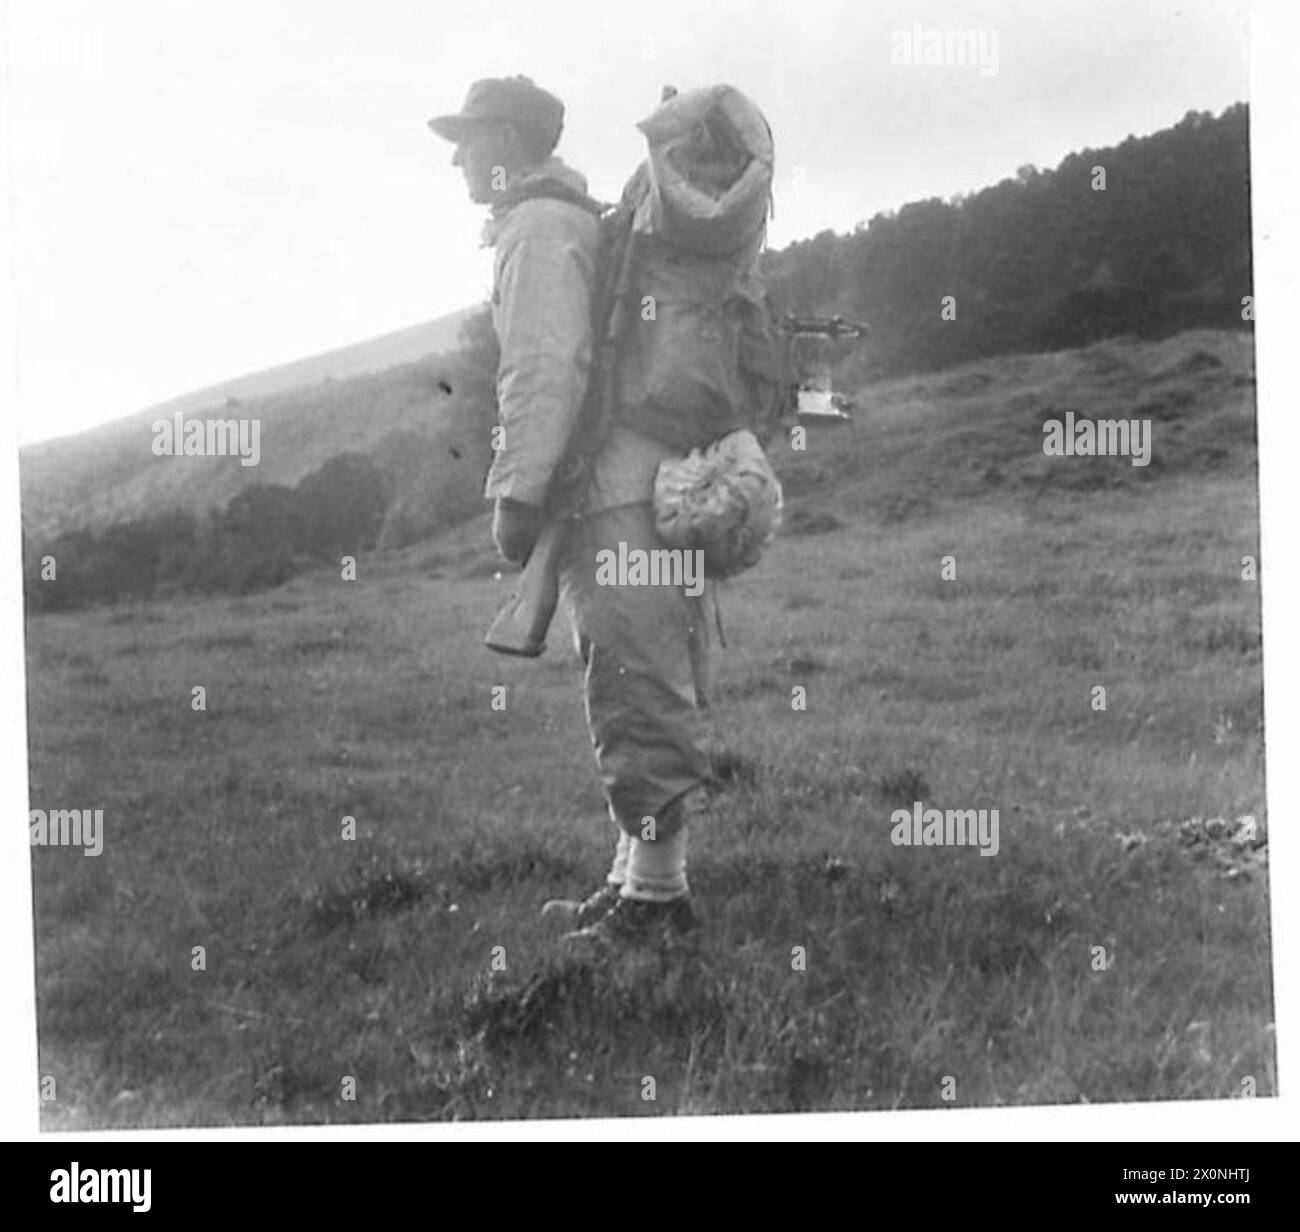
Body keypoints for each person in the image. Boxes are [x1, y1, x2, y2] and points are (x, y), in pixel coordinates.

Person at [429, 77, 710, 948]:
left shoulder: (540, 228)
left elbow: (544, 371)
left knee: (633, 681)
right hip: (637, 484)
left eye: (468, 138)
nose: (457, 156)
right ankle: (637, 879)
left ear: (508, 140)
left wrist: (514, 496)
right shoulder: (565, 218)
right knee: (635, 668)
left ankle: (657, 907)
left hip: (617, 493)